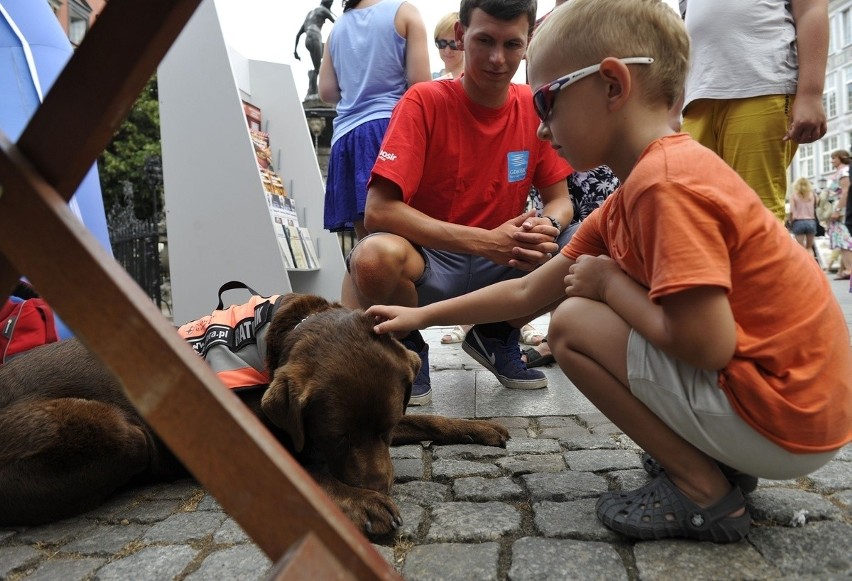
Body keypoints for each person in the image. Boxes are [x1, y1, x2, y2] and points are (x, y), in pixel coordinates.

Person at [366, 0, 851, 543]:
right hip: (800, 415)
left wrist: (610, 284)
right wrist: (416, 315)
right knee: (575, 305)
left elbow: (708, 345)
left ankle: (702, 491)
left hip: (788, 422)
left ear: (613, 85)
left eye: (547, 101)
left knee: (573, 323)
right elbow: (526, 290)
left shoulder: (665, 185)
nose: (542, 129)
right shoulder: (645, 183)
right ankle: (720, 463)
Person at [345, 0, 574, 406]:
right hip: (430, 260)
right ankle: (407, 347)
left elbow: (560, 202)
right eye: (484, 40)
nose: (497, 58)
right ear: (460, 36)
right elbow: (379, 211)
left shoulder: (531, 104)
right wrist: (486, 242)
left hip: (505, 258)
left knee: (586, 245)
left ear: (528, 43)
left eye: (511, 44)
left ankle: (496, 333)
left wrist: (549, 226)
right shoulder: (423, 101)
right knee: (373, 256)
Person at [680, 0, 828, 221]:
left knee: (755, 213)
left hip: (762, 87)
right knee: (694, 212)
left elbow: (811, 9)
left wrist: (811, 93)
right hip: (698, 98)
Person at [318, 0, 430, 241]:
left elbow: (326, 92)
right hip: (389, 131)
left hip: (346, 139)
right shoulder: (404, 13)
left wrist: (356, 91)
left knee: (365, 247)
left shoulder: (336, 29)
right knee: (398, 245)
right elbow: (420, 84)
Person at [522, 165, 619, 367]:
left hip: (597, 162)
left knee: (599, 241)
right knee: (555, 237)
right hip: (556, 155)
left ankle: (590, 332)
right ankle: (555, 333)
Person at [294, 0, 336, 98]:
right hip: (315, 36)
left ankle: (313, 86)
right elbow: (337, 23)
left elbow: (298, 34)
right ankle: (313, 92)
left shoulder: (310, 14)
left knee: (329, 51)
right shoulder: (323, 10)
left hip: (308, 38)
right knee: (319, 68)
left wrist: (295, 51)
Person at [827, 149, 852, 280]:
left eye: (834, 158)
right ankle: (843, 270)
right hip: (840, 208)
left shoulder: (844, 171)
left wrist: (837, 210)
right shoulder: (842, 171)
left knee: (844, 239)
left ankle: (849, 269)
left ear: (841, 158)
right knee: (841, 240)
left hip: (841, 210)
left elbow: (846, 191)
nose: (831, 161)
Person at [787, 177, 818, 254]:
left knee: (801, 248)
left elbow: (791, 211)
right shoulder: (813, 195)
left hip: (798, 222)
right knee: (809, 248)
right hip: (811, 222)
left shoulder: (794, 196)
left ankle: (803, 265)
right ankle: (812, 265)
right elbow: (816, 206)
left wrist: (790, 221)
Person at [431, 12, 464, 80]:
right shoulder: (431, 80)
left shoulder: (475, 80)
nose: (447, 51)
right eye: (442, 43)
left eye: (453, 44)